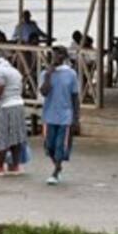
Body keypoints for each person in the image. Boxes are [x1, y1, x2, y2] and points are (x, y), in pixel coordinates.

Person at [39, 46, 80, 185]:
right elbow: (44, 92)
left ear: (64, 57)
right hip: (49, 114)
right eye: (54, 54)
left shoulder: (71, 74)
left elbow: (75, 97)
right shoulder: (45, 73)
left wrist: (76, 118)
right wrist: (48, 76)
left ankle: (55, 172)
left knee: (60, 146)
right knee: (49, 146)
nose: (55, 57)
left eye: (59, 54)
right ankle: (58, 166)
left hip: (65, 115)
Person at [0, 54, 27, 175]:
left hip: (6, 106)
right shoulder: (15, 71)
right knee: (16, 137)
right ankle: (15, 165)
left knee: (3, 137)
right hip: (19, 104)